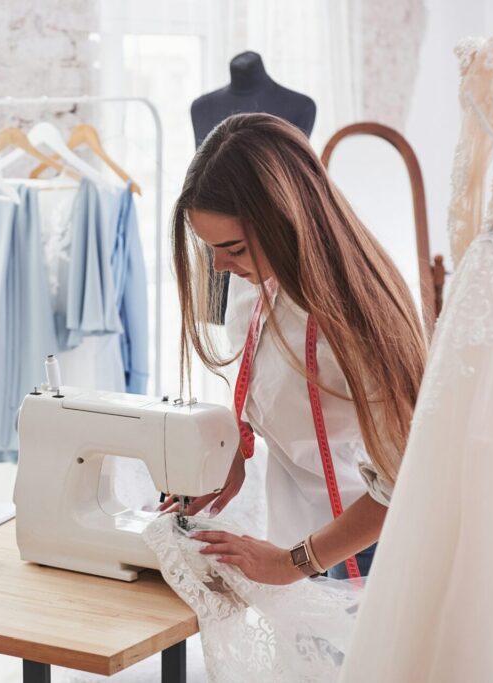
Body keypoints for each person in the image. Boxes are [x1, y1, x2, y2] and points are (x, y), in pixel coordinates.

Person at [167, 112, 427, 583]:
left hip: (364, 550)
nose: (221, 266)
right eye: (211, 250)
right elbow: (267, 384)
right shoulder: (258, 281)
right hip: (296, 533)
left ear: (285, 219)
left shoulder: (357, 324)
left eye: (234, 248)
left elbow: (406, 483)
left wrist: (294, 564)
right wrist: (234, 453)